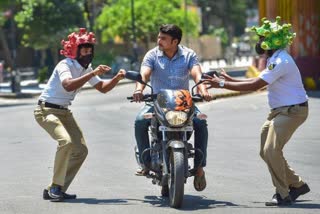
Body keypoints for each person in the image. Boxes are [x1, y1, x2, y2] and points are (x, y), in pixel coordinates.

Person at [204, 16, 310, 206]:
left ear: (273, 40)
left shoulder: (280, 61)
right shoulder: (275, 59)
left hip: (292, 111)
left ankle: (283, 193)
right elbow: (258, 82)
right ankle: (297, 184)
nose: (259, 42)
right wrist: (231, 80)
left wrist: (221, 83)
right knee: (265, 151)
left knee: (271, 150)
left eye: (263, 38)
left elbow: (255, 85)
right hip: (280, 111)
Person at [34, 28, 126, 202]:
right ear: (74, 50)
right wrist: (92, 73)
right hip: (46, 110)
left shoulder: (87, 68)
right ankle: (55, 186)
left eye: (90, 49)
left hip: (64, 111)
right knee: (65, 142)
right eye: (84, 49)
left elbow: (102, 88)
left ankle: (56, 188)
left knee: (81, 150)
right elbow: (68, 85)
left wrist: (117, 78)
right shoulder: (65, 65)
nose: (88, 52)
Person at [132, 24, 212, 192]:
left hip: (183, 103)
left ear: (175, 41)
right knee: (140, 121)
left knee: (200, 123)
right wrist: (139, 89)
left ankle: (199, 167)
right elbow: (144, 74)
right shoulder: (152, 55)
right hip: (157, 102)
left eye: (163, 38)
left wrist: (202, 89)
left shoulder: (188, 55)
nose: (158, 40)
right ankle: (146, 163)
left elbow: (197, 73)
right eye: (159, 37)